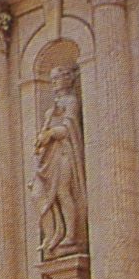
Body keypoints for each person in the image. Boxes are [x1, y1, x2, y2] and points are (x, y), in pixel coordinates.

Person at [31, 64, 87, 257]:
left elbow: (69, 128)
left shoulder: (70, 101)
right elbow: (41, 141)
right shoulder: (50, 110)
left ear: (68, 79)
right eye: (52, 79)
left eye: (58, 78)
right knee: (39, 194)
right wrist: (41, 139)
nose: (54, 83)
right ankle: (53, 233)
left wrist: (51, 133)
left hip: (64, 152)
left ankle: (71, 235)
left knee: (63, 191)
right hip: (49, 157)